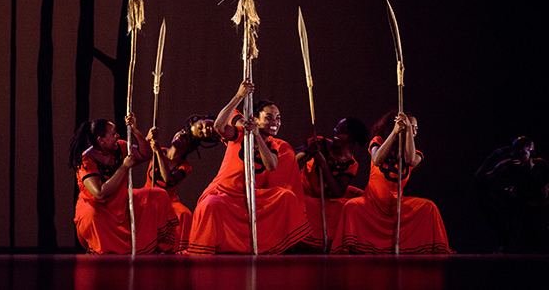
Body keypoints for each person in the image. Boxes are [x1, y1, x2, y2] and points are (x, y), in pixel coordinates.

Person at [186, 80, 311, 254]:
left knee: (286, 197)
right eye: (268, 117)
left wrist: (257, 135)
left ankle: (273, 248)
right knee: (210, 205)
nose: (274, 122)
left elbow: (272, 165)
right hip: (225, 192)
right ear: (256, 119)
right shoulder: (240, 133)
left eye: (278, 118)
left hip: (250, 194)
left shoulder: (272, 145)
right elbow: (219, 126)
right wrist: (239, 95)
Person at [331, 110, 453, 254]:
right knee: (351, 207)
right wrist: (395, 133)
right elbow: (376, 159)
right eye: (410, 126)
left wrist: (407, 132)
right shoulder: (378, 141)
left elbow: (410, 160)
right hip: (372, 203)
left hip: (397, 205)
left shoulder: (415, 153)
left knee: (429, 207)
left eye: (415, 128)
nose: (414, 130)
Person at [68, 113, 179, 254]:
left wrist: (134, 130)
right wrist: (124, 167)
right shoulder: (86, 161)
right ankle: (106, 254)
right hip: (97, 208)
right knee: (92, 217)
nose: (117, 136)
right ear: (101, 141)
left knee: (158, 195)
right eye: (113, 134)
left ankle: (161, 247)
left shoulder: (119, 147)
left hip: (120, 202)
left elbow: (145, 154)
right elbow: (100, 193)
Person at [144, 116, 221, 252]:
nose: (180, 136)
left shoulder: (184, 166)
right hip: (148, 196)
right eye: (181, 132)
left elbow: (167, 179)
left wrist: (157, 153)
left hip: (168, 201)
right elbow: (140, 153)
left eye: (185, 138)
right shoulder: (159, 150)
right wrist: (147, 137)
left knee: (184, 214)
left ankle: (177, 252)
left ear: (189, 146)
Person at [294, 117, 369, 252]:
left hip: (325, 197)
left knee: (349, 206)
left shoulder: (350, 164)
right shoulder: (319, 143)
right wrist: (307, 150)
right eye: (336, 128)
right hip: (303, 189)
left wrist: (323, 164)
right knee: (304, 204)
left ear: (352, 138)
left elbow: (338, 192)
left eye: (343, 131)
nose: (336, 132)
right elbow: (290, 159)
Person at [474, 136, 549, 253]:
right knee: (483, 195)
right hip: (520, 208)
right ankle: (505, 242)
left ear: (531, 153)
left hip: (540, 209)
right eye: (515, 152)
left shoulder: (542, 167)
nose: (517, 157)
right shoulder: (508, 166)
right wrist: (492, 158)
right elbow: (478, 182)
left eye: (521, 153)